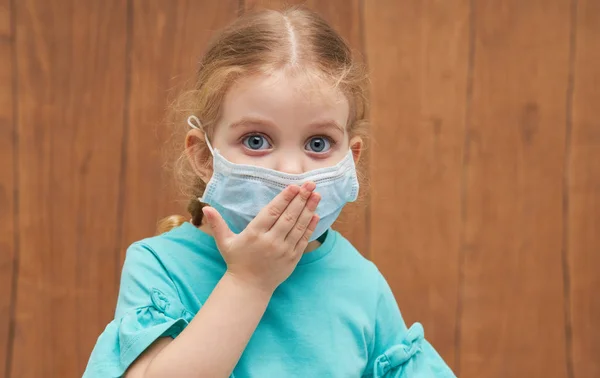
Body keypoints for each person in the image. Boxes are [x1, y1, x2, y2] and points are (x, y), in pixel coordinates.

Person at [83, 6, 456, 378]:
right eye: (256, 140)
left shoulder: (362, 284)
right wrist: (249, 282)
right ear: (203, 155)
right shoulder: (160, 266)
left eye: (318, 143)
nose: (291, 171)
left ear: (350, 159)